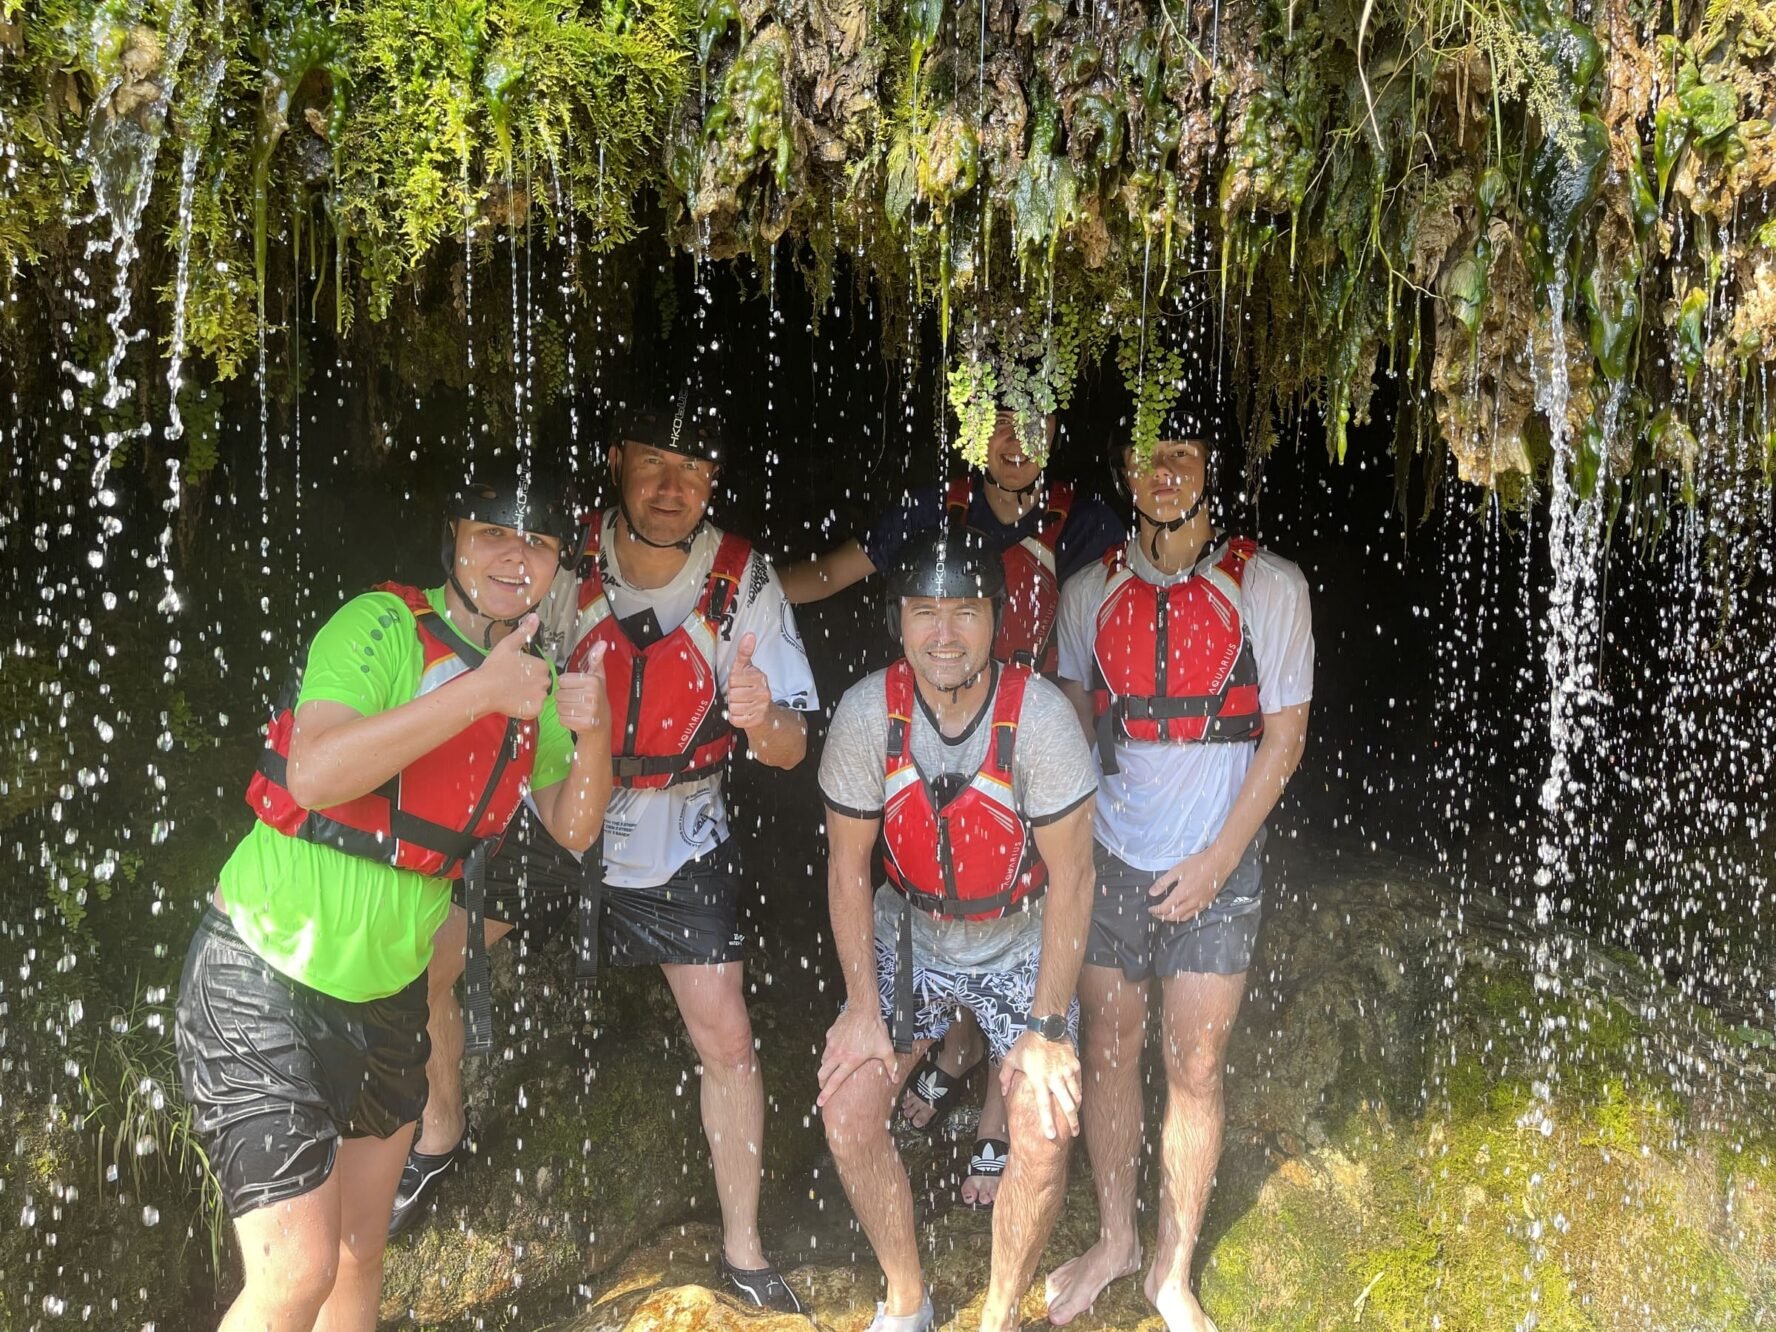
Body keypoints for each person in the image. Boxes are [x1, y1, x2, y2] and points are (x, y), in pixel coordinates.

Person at [391, 386, 820, 1313]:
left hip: (679, 827)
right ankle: (438, 1132)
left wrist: (761, 717)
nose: (671, 487)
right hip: (550, 809)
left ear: (715, 481)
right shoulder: (558, 553)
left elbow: (793, 747)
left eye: (692, 469)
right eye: (653, 462)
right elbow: (473, 647)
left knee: (728, 1037)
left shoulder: (741, 577)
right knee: (424, 968)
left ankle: (744, 1248)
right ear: (617, 461)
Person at [174, 461, 613, 1332]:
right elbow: (314, 771)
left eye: (537, 543)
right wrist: (480, 691)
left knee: (356, 1256)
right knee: (295, 1275)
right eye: (493, 533)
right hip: (263, 976)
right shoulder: (381, 625)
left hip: (386, 999)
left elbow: (573, 826)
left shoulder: (533, 681)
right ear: (453, 540)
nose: (514, 556)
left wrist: (592, 733)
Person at [783, 406, 1119, 1205]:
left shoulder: (1082, 523)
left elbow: (1116, 602)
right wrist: (746, 588)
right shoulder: (936, 509)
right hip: (937, 717)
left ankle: (998, 1109)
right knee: (947, 880)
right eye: (998, 420)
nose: (1015, 441)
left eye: (1034, 421)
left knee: (1016, 905)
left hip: (1030, 733)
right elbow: (833, 575)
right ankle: (958, 1047)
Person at [1040, 405, 1314, 1332]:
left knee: (1193, 1061)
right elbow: (1070, 731)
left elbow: (1285, 737)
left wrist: (1218, 860)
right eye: (1148, 455)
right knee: (1108, 1047)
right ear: (1124, 468)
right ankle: (1117, 1239)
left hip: (1217, 857)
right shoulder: (1089, 592)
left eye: (1184, 454)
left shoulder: (1268, 586)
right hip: (1114, 855)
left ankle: (1171, 1269)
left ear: (1209, 467)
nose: (1164, 472)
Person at [817, 528, 1098, 1332]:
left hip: (1020, 938)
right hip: (913, 936)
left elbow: (1076, 877)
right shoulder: (867, 713)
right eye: (924, 612)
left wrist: (1048, 1028)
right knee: (848, 1110)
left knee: (1043, 1126)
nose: (944, 633)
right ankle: (907, 1298)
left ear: (997, 620)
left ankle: (999, 1313)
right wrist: (861, 1007)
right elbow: (847, 868)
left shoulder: (1039, 718)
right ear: (898, 621)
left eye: (966, 611)